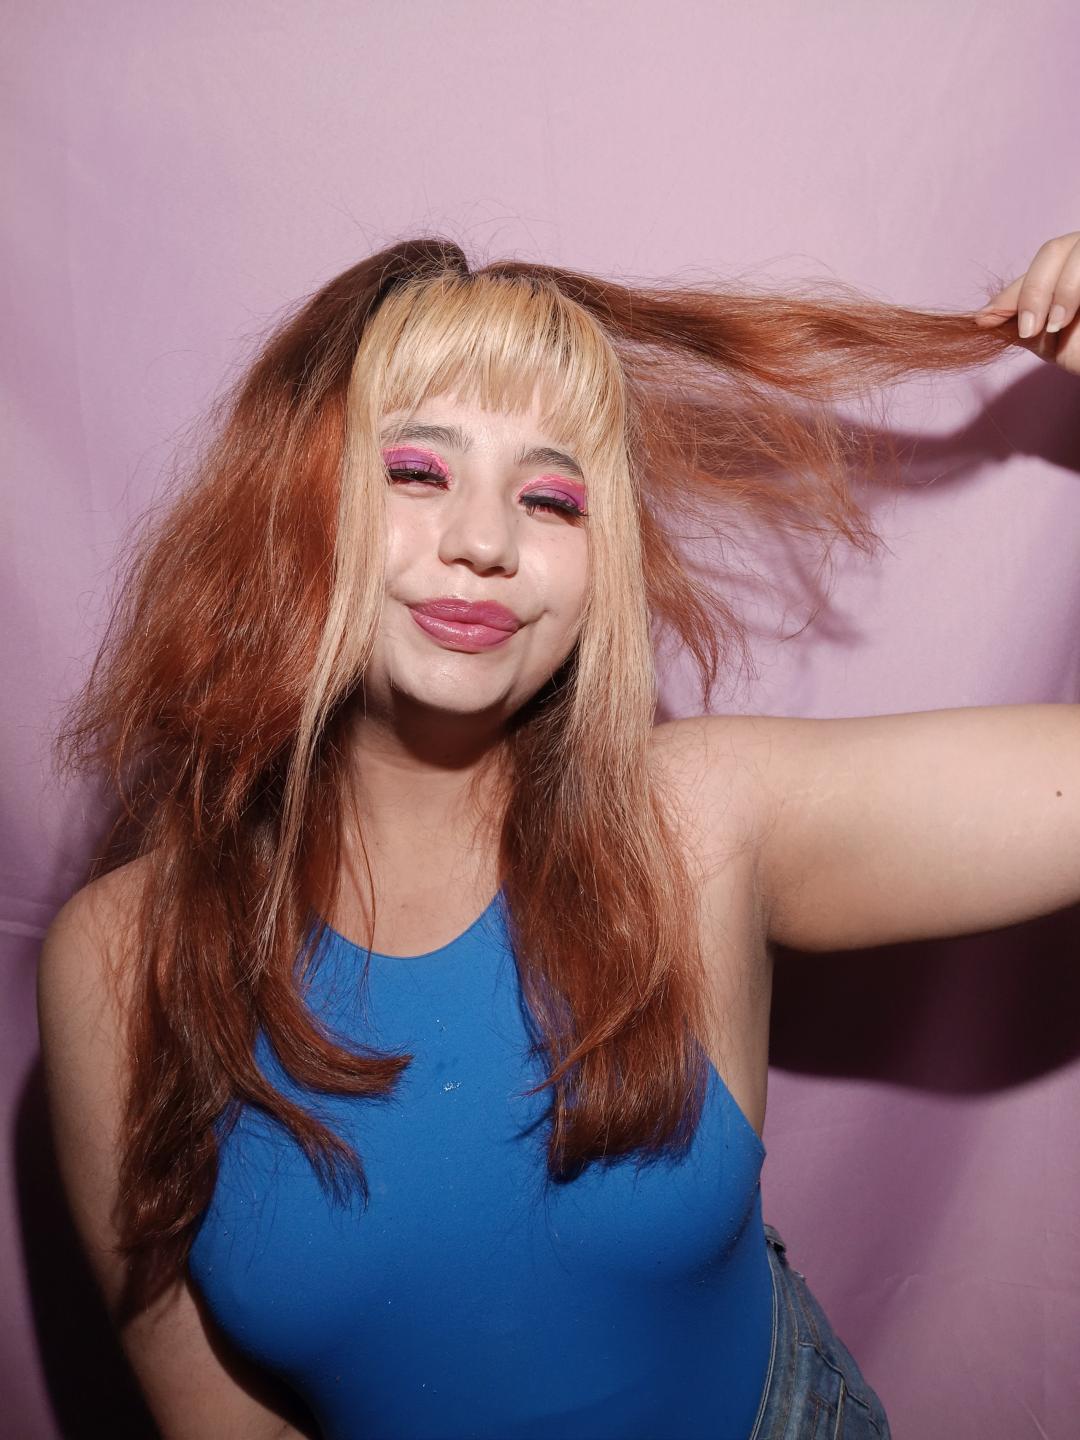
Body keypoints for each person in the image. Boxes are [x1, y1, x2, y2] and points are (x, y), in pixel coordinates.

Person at [35, 233, 1079, 1440]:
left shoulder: (695, 824)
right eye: (416, 471)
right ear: (288, 502)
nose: (486, 541)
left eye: (551, 497)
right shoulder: (119, 960)